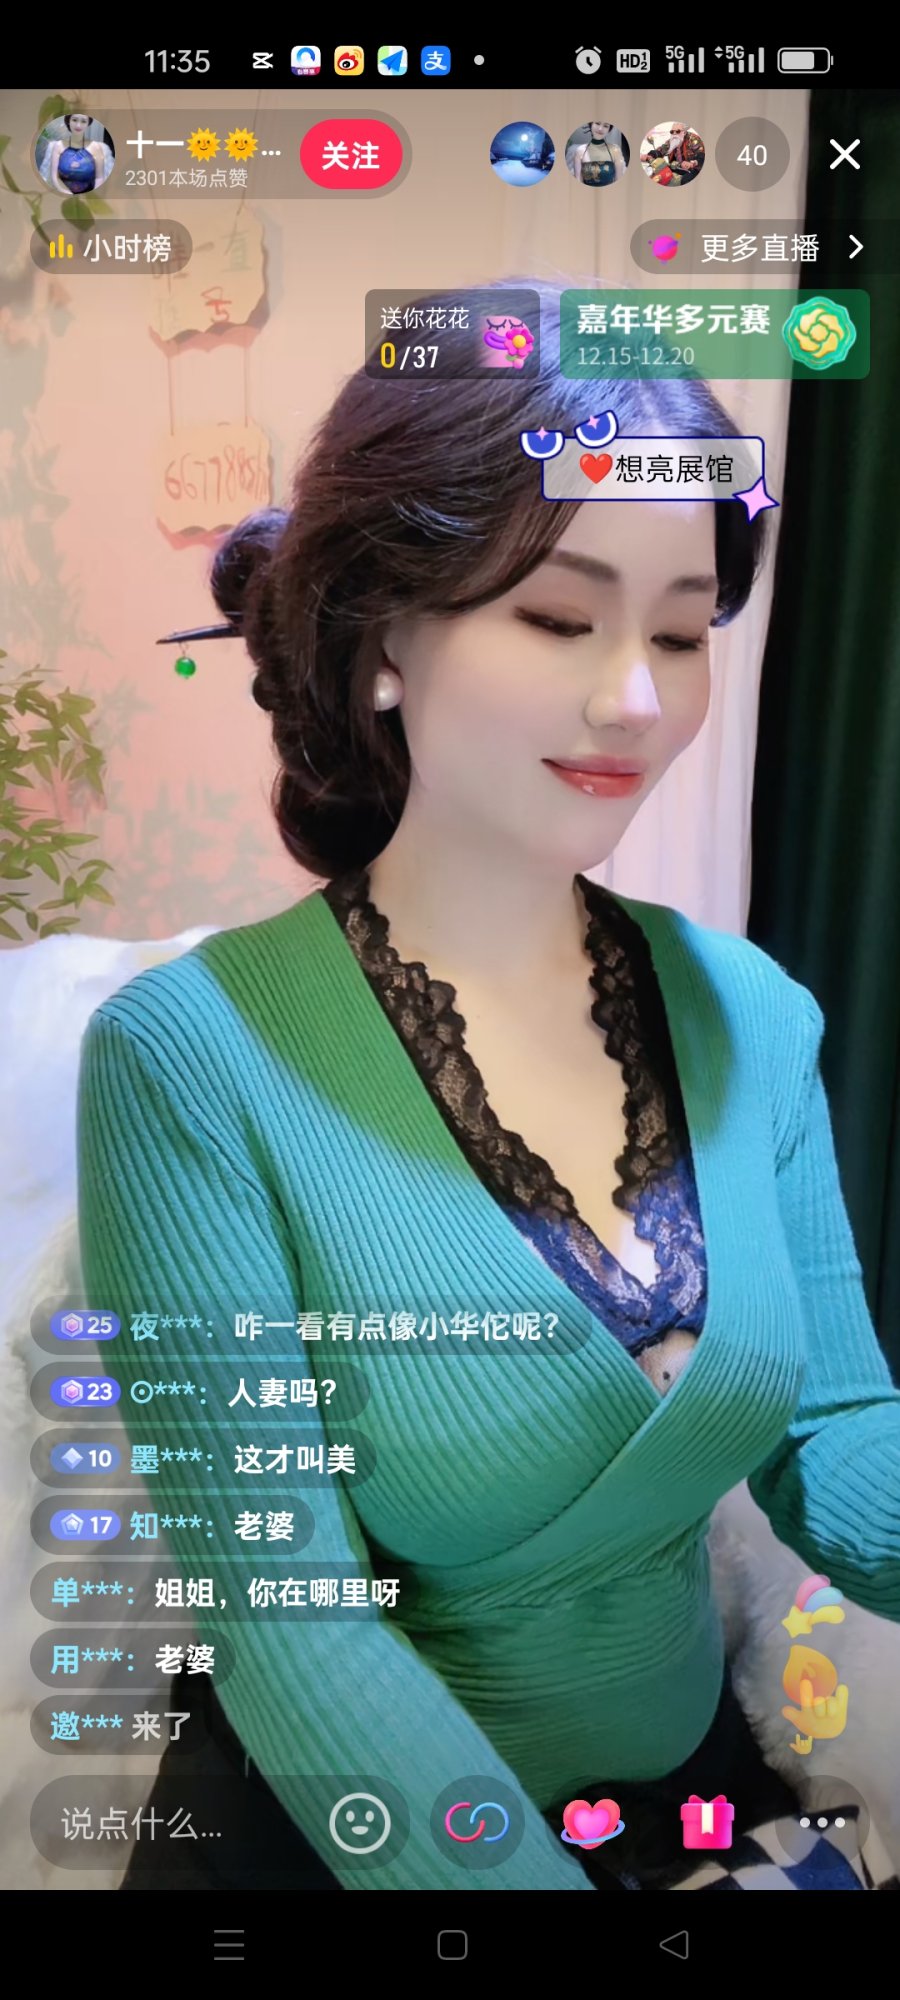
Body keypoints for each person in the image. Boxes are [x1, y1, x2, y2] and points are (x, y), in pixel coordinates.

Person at [77, 279, 900, 1892]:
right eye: (560, 619)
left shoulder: (756, 1017)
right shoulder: (187, 1059)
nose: (638, 700)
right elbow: (291, 1623)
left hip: (681, 1800)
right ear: (382, 632)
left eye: (682, 631)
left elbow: (838, 1432)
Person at [44, 111, 113, 195]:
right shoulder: (58, 146)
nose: (78, 125)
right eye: (74, 120)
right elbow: (55, 177)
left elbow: (99, 178)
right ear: (68, 121)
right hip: (64, 194)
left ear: (88, 123)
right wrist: (68, 194)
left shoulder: (96, 147)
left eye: (83, 121)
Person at [643, 122, 704, 187]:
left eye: (678, 131)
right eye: (672, 132)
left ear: (684, 132)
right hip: (676, 167)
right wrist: (650, 156)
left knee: (684, 181)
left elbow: (702, 155)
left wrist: (693, 163)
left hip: (693, 170)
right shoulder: (672, 141)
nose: (674, 134)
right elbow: (661, 150)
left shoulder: (693, 139)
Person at [569, 121, 628, 186]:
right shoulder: (580, 150)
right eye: (597, 123)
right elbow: (578, 180)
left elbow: (619, 180)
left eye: (605, 126)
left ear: (609, 130)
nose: (600, 129)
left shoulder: (615, 150)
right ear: (591, 124)